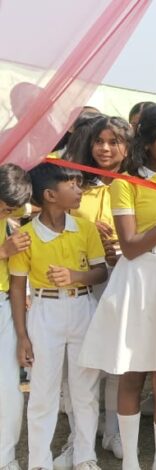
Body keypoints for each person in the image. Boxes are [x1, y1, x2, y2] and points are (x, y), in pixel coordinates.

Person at [79, 104, 156, 470]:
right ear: (147, 143)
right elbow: (130, 246)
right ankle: (131, 460)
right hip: (139, 279)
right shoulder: (125, 183)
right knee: (131, 374)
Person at [10, 163, 107, 470]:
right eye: (72, 185)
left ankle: (85, 456)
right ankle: (39, 461)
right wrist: (22, 337)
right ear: (50, 195)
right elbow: (17, 287)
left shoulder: (85, 229)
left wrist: (75, 276)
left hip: (83, 309)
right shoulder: (26, 236)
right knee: (43, 391)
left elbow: (100, 272)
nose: (79, 190)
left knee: (85, 390)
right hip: (44, 313)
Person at [71, 116, 134, 460]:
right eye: (99, 141)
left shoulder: (138, 183)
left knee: (117, 359)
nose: (105, 148)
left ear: (128, 146)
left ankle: (114, 431)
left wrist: (119, 248)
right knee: (83, 359)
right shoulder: (76, 182)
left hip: (123, 276)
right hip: (82, 279)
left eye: (114, 141)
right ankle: (80, 435)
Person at [0, 163, 32, 470]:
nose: (3, 212)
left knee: (7, 387)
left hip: (3, 305)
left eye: (8, 209)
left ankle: (6, 458)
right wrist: (2, 252)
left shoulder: (13, 218)